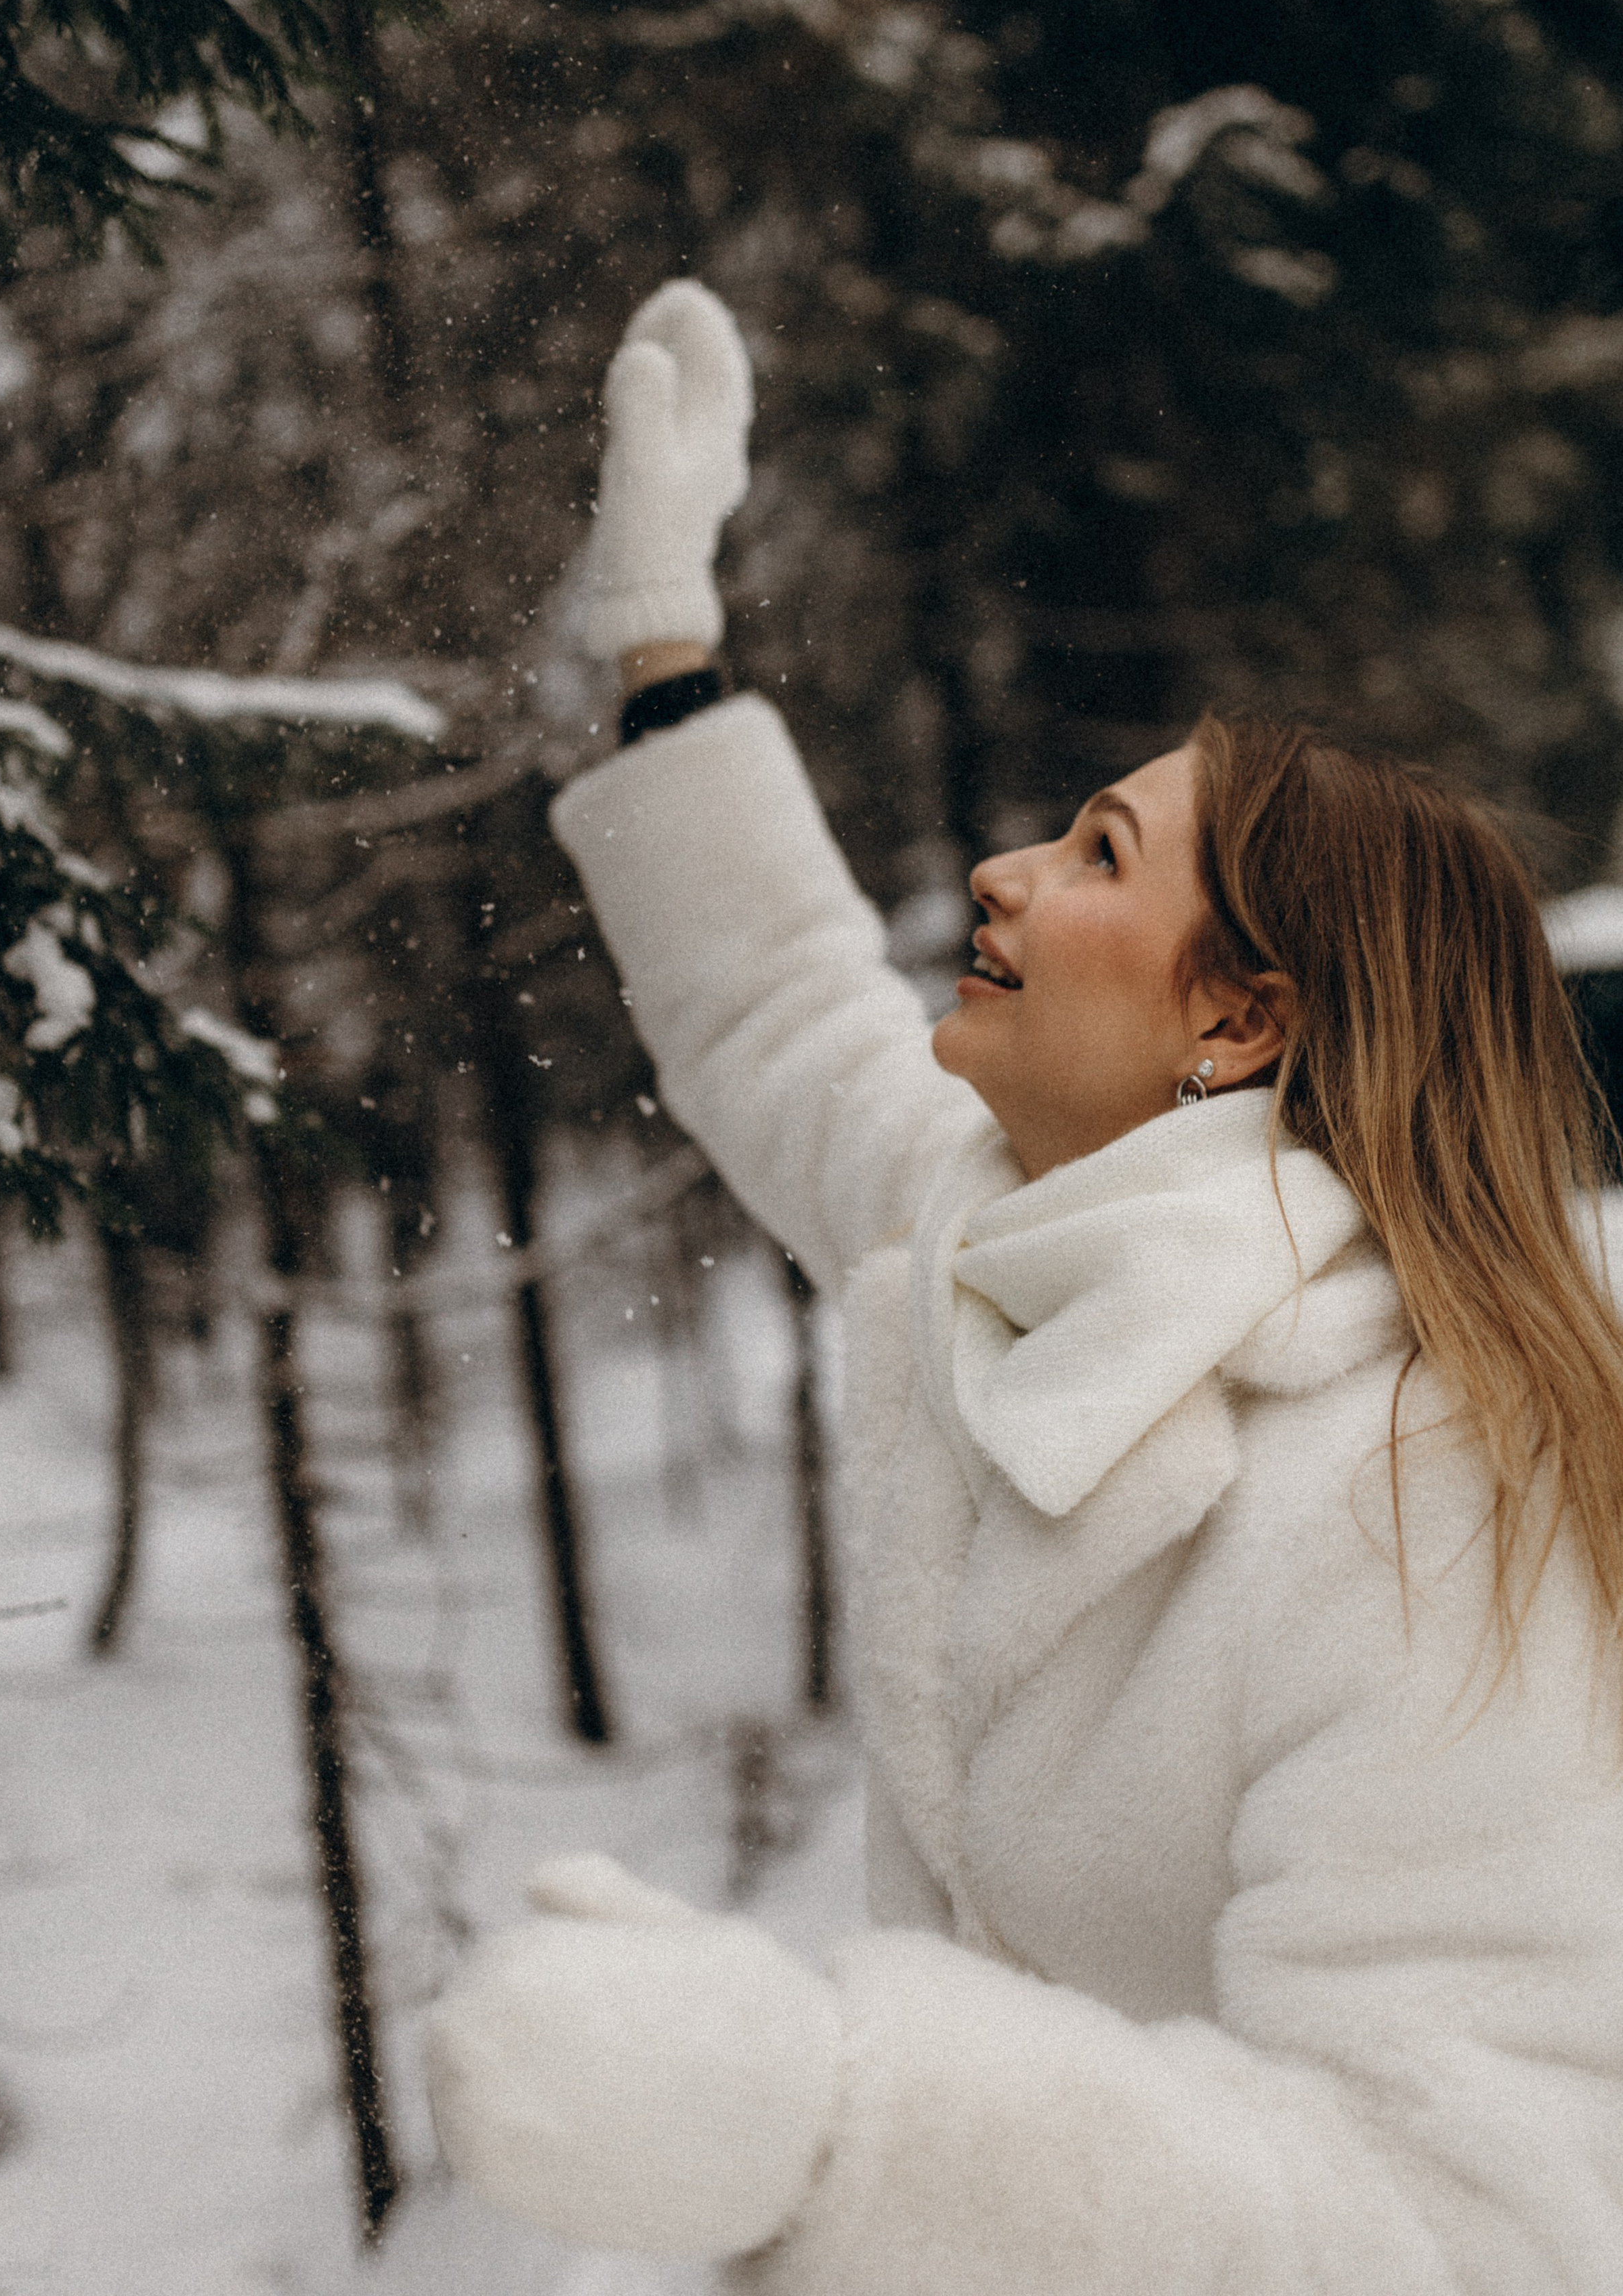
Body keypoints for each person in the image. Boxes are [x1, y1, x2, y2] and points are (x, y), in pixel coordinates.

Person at [425, 281, 1623, 2295]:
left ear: (1239, 1020)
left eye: (1093, 855)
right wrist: (661, 635)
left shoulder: (1423, 1492)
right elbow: (780, 1013)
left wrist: (840, 2133)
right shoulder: (1005, 1233)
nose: (1001, 871)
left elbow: (1476, 2226)